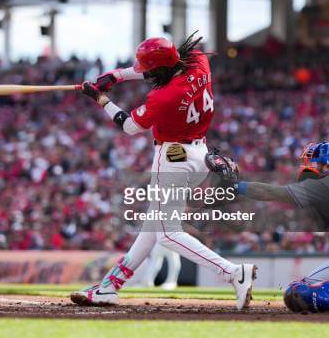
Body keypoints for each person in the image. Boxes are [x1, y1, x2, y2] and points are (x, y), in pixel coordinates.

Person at [70, 32, 257, 310]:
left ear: (160, 69)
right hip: (199, 155)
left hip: (173, 158)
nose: (145, 74)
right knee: (152, 225)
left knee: (167, 233)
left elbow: (129, 126)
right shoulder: (197, 63)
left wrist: (101, 99)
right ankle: (109, 287)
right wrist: (117, 76)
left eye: (148, 70)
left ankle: (232, 272)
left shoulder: (164, 96)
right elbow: (154, 69)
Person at [218, 139, 329, 313]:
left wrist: (234, 186)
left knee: (298, 292)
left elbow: (269, 192)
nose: (313, 167)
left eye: (317, 163)